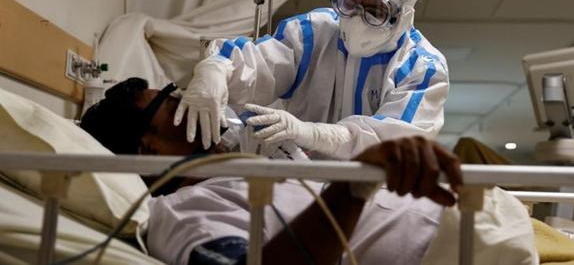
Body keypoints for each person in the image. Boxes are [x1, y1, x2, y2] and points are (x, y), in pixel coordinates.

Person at [81, 78, 463, 265]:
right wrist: (353, 186)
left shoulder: (236, 174)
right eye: (170, 99)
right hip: (458, 250)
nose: (184, 96)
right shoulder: (181, 213)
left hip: (472, 224)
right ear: (150, 148)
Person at [175, 0, 449, 159]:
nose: (355, 17)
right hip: (290, 187)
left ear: (402, 16)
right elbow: (262, 66)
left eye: (374, 11)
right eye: (349, 1)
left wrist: (312, 134)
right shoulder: (314, 33)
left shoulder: (422, 68)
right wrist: (218, 67)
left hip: (369, 206)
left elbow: (393, 144)